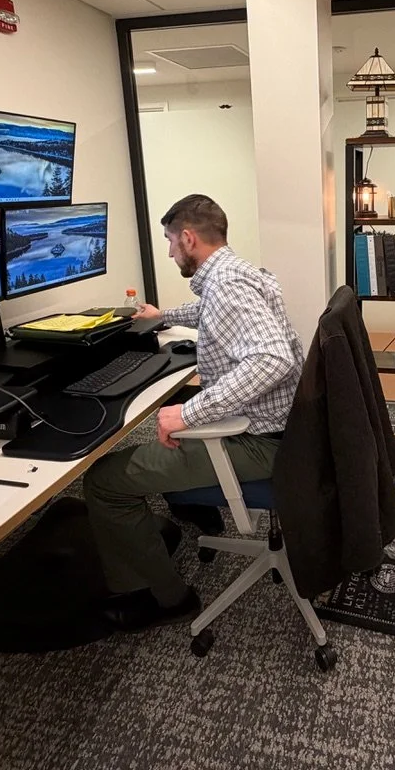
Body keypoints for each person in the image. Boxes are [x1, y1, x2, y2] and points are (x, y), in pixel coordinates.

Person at [83, 194, 304, 631]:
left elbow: (272, 358)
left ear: (188, 238)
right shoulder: (241, 272)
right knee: (170, 408)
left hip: (259, 441)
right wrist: (162, 315)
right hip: (286, 430)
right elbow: (210, 313)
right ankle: (196, 508)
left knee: (103, 480)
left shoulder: (227, 286)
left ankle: (165, 598)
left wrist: (191, 413)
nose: (168, 252)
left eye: (169, 241)